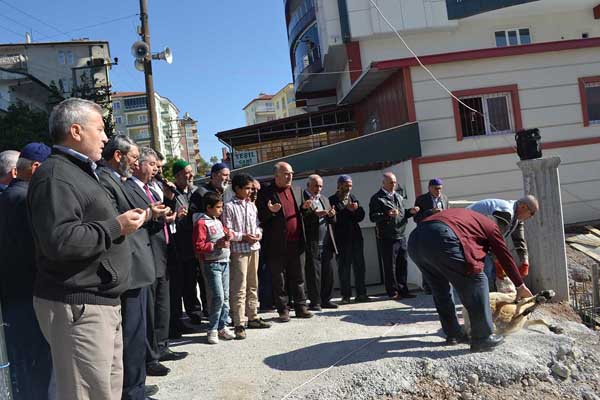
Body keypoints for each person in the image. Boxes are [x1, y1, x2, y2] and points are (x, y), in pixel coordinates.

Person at [28, 98, 146, 400]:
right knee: (84, 393)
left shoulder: (80, 171)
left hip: (98, 304)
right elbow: (60, 240)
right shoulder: (55, 175)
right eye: (100, 128)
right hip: (79, 307)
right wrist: (115, 226)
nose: (106, 137)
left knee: (103, 392)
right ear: (76, 131)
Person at [408, 208, 533, 352]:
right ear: (499, 225)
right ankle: (483, 337)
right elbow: (504, 257)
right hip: (441, 236)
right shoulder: (491, 226)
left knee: (440, 288)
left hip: (415, 240)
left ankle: (453, 334)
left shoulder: (468, 218)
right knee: (478, 280)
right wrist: (520, 285)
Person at [97, 135, 160, 400]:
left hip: (137, 264)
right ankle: (131, 392)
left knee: (137, 332)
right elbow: (117, 220)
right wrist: (148, 214)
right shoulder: (104, 179)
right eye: (133, 158)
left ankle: (136, 385)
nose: (135, 165)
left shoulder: (116, 179)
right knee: (131, 335)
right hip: (128, 266)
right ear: (119, 156)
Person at [125, 148, 187, 378]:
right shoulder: (130, 187)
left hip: (164, 250)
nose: (156, 170)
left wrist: (168, 214)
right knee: (149, 308)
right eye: (152, 164)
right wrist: (157, 216)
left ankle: (162, 346)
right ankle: (150, 356)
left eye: (157, 166)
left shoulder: (153, 188)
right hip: (147, 254)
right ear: (139, 165)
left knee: (163, 303)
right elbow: (138, 221)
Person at [0, 142, 52, 400]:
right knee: (37, 361)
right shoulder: (26, 199)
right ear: (35, 168)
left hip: (12, 294)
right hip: (30, 293)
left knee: (21, 361)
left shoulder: (7, 196)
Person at [256, 162, 313, 322]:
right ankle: (283, 310)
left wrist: (305, 209)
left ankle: (301, 307)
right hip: (276, 244)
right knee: (279, 279)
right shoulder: (266, 192)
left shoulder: (297, 190)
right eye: (286, 174)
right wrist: (270, 211)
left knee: (298, 277)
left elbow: (302, 215)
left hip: (296, 242)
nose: (290, 176)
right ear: (277, 176)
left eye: (291, 173)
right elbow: (260, 216)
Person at [222, 173, 271, 339]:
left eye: (251, 188)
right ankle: (239, 322)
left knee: (253, 283)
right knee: (239, 286)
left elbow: (257, 225)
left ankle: (253, 316)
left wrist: (258, 234)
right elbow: (227, 230)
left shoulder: (252, 205)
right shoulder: (228, 206)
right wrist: (243, 236)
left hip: (254, 248)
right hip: (239, 250)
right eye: (247, 188)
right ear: (237, 188)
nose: (251, 191)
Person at [185, 162, 231, 320]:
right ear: (214, 175)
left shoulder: (225, 191)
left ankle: (222, 318)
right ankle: (211, 317)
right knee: (210, 286)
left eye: (228, 175)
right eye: (224, 175)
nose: (227, 178)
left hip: (224, 250)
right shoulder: (201, 193)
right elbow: (195, 220)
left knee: (223, 290)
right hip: (207, 249)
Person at [163, 159, 202, 337]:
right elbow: (168, 216)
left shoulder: (194, 192)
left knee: (191, 282)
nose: (191, 175)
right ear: (178, 175)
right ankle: (177, 320)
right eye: (187, 172)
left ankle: (195, 314)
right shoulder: (171, 194)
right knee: (178, 285)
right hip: (176, 246)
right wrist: (177, 216)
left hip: (192, 245)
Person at [192, 192, 237, 344]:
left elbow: (226, 233)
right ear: (208, 208)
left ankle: (222, 326)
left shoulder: (217, 221)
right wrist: (215, 245)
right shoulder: (201, 223)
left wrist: (228, 236)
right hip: (212, 264)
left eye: (221, 207)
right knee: (217, 296)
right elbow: (198, 246)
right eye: (218, 207)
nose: (221, 210)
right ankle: (212, 328)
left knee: (225, 297)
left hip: (225, 262)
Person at [467, 196, 538, 290]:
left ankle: (486, 298)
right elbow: (495, 240)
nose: (531, 217)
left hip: (478, 238)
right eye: (532, 213)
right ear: (524, 207)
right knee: (486, 271)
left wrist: (524, 261)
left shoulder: (516, 217)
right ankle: (483, 301)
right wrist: (499, 263)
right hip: (465, 233)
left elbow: (519, 240)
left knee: (490, 270)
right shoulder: (506, 212)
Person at [369, 172, 419, 299]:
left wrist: (410, 212)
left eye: (395, 182)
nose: (393, 185)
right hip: (387, 237)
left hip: (401, 235)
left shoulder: (398, 196)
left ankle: (403, 290)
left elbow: (402, 214)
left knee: (403, 264)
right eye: (391, 182)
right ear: (384, 183)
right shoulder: (377, 198)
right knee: (390, 266)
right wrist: (387, 214)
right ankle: (393, 292)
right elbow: (373, 217)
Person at [329, 175, 370, 304]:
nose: (348, 188)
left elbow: (360, 216)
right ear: (339, 185)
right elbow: (333, 220)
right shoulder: (332, 200)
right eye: (346, 185)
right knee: (344, 268)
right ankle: (346, 296)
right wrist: (346, 209)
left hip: (356, 238)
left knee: (359, 267)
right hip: (341, 239)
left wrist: (355, 210)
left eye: (350, 185)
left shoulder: (353, 198)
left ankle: (361, 294)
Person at [300, 174, 338, 310]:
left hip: (327, 241)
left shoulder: (324, 199)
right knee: (314, 274)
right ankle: (315, 302)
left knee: (328, 272)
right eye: (316, 185)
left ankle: (326, 300)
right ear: (308, 185)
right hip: (312, 242)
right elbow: (301, 219)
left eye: (321, 186)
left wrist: (332, 215)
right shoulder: (302, 199)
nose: (319, 188)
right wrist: (314, 215)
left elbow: (332, 221)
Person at [414, 178, 448, 294]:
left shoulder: (444, 198)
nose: (439, 191)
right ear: (429, 188)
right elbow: (416, 218)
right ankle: (428, 286)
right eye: (436, 188)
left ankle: (442, 284)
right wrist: (430, 212)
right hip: (427, 233)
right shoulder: (422, 200)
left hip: (441, 233)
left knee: (442, 259)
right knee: (428, 260)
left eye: (440, 189)